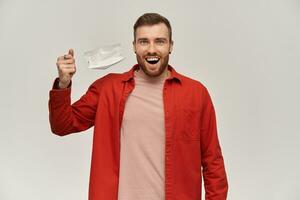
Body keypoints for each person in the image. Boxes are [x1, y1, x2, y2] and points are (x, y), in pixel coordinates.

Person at [49, 13, 228, 200]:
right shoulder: (108, 89)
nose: (152, 49)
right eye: (143, 42)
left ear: (170, 46)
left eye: (159, 41)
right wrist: (63, 84)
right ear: (134, 46)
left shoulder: (196, 93)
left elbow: (212, 162)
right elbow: (62, 125)